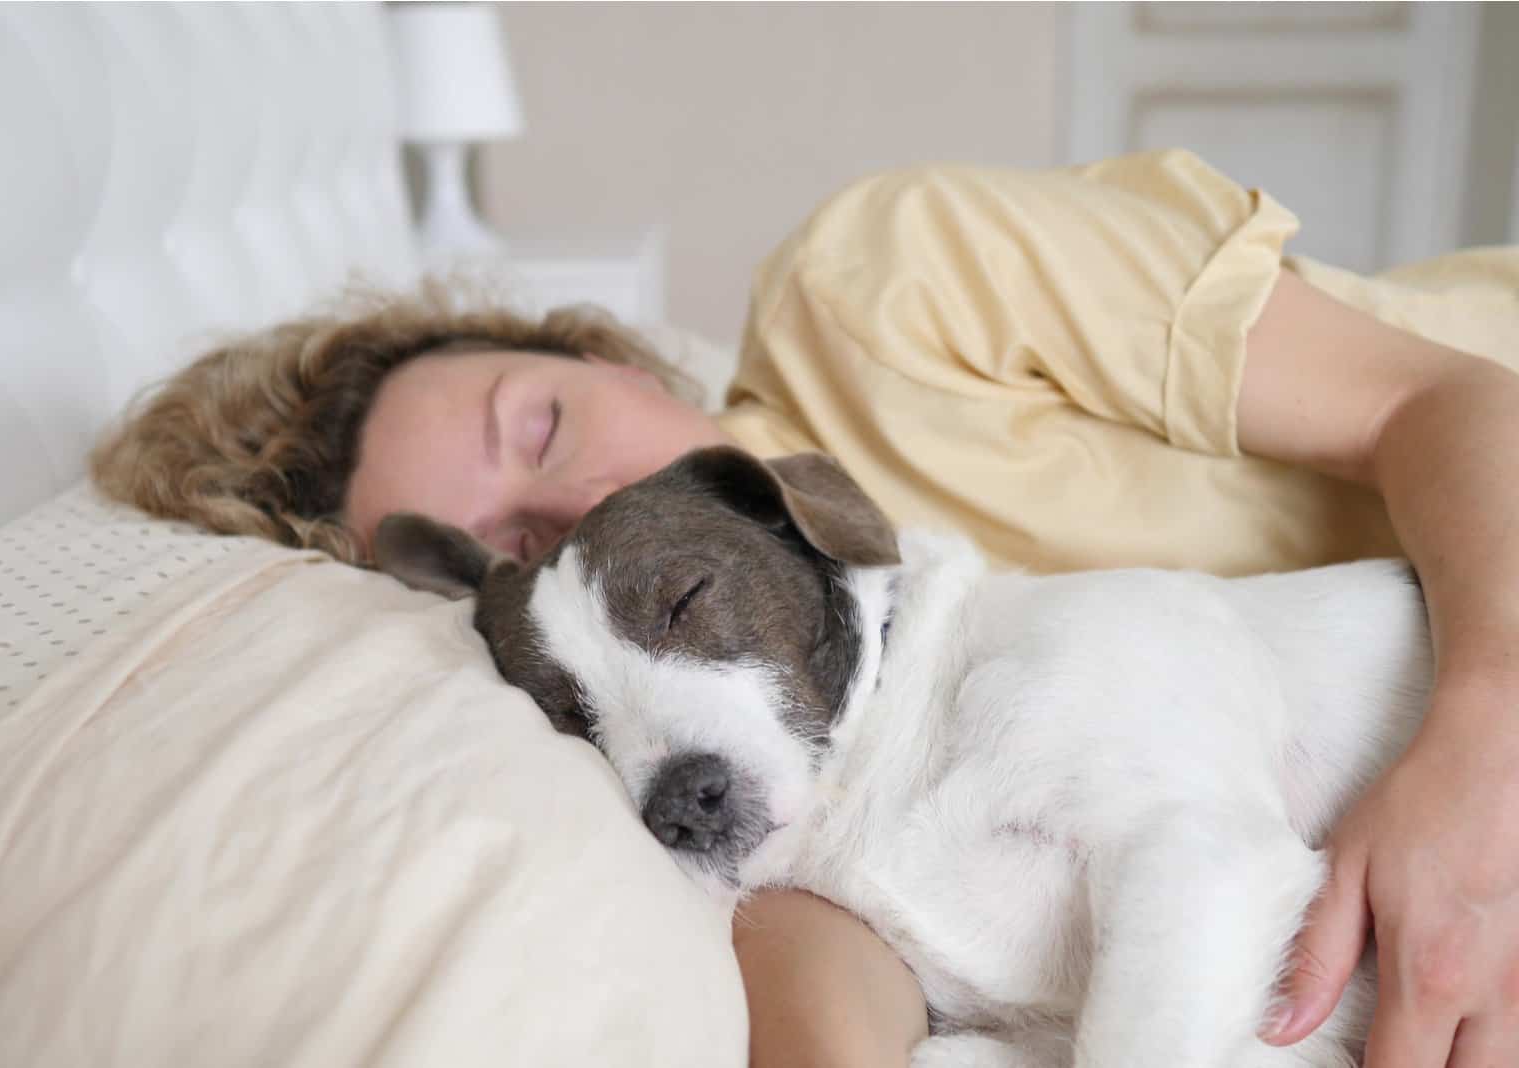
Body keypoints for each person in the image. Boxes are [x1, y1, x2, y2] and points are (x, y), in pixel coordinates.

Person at [93, 149, 1519, 1068]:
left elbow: (1442, 395)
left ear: (591, 347)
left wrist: (1483, 728)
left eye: (539, 427)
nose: (580, 510)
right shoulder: (805, 761)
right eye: (520, 547)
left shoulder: (881, 287)